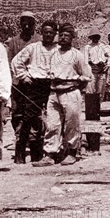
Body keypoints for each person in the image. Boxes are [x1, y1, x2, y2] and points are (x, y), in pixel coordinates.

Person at [34, 23, 92, 166]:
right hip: (54, 93)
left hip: (70, 93)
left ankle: (72, 152)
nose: (63, 38)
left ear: (72, 38)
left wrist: (72, 81)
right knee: (52, 124)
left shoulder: (77, 55)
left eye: (67, 36)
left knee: (71, 124)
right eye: (61, 35)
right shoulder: (53, 53)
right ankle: (50, 154)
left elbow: (87, 76)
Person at [11, 20, 58, 164]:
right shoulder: (33, 47)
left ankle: (43, 153)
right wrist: (24, 76)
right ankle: (20, 154)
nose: (48, 35)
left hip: (52, 85)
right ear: (41, 33)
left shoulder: (59, 49)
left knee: (52, 117)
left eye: (51, 32)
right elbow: (16, 61)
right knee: (28, 118)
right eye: (45, 32)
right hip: (35, 85)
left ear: (55, 34)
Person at [5, 11, 40, 150]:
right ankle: (20, 137)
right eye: (23, 22)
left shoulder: (39, 40)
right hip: (18, 84)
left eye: (29, 23)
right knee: (17, 112)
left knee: (35, 112)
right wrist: (17, 77)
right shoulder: (13, 42)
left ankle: (34, 139)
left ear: (34, 24)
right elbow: (9, 62)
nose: (26, 26)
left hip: (35, 83)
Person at [84, 28, 110, 99]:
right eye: (93, 36)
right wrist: (88, 69)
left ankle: (99, 105)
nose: (95, 38)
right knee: (91, 89)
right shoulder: (88, 47)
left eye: (97, 36)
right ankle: (92, 107)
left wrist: (108, 65)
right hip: (92, 70)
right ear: (91, 37)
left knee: (101, 89)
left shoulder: (103, 46)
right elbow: (85, 60)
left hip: (102, 69)